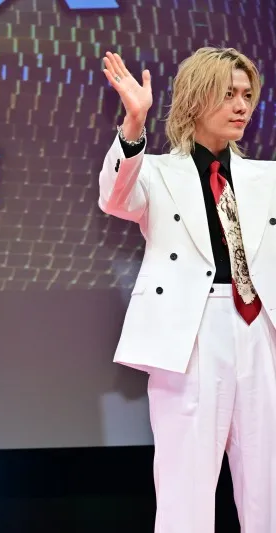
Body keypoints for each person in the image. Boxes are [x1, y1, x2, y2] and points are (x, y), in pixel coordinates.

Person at [100, 48, 276, 532]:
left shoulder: (268, 178)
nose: (241, 106)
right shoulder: (156, 172)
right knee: (185, 483)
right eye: (228, 94)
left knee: (267, 484)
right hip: (190, 331)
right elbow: (114, 198)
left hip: (260, 327)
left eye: (247, 95)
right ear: (196, 99)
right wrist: (134, 121)